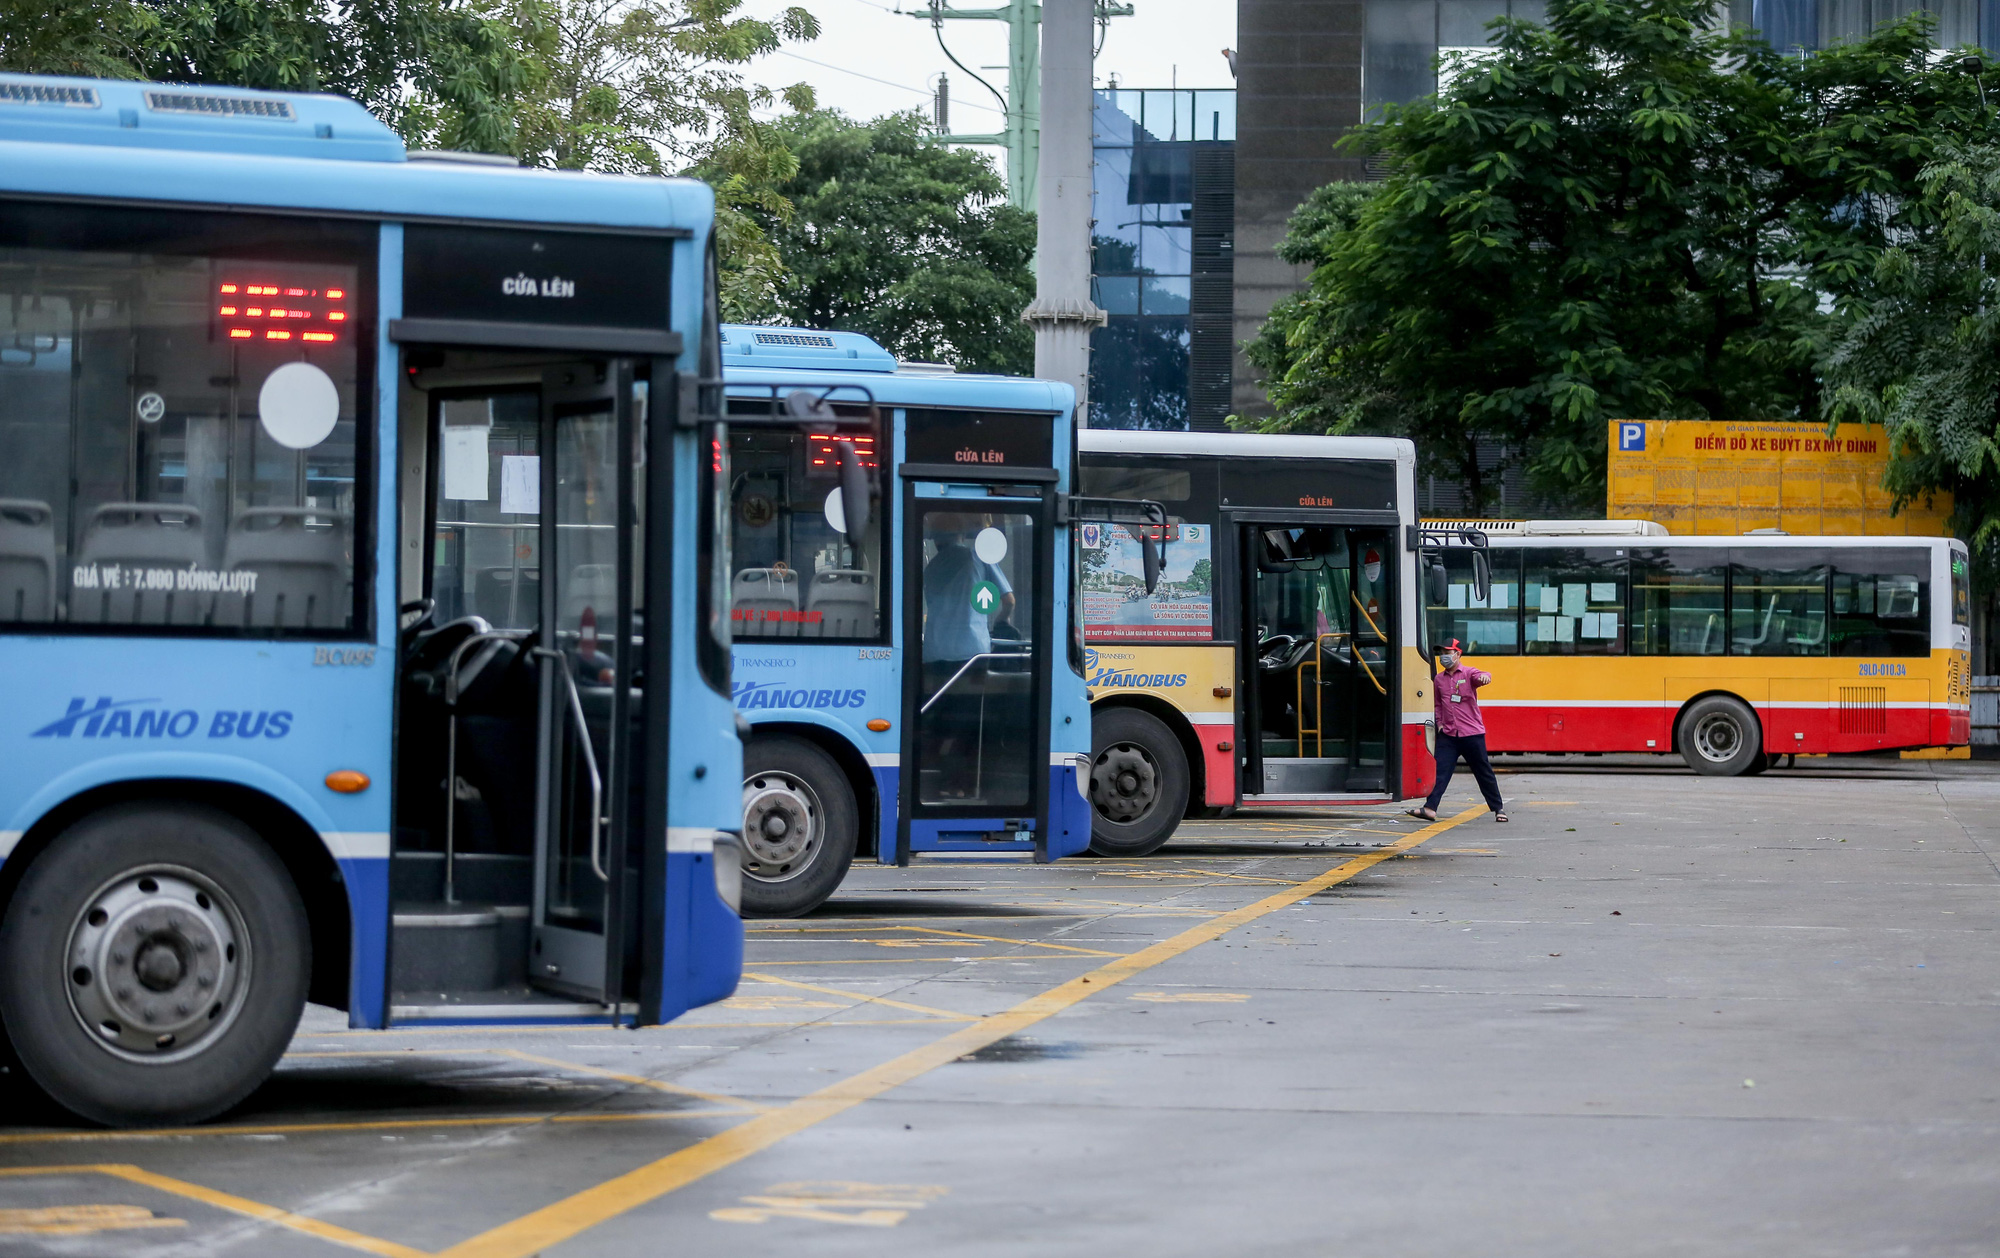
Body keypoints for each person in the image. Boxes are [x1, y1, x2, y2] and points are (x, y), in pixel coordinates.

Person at [1408, 638, 1507, 823]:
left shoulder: (1469, 673)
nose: (1444, 656)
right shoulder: (1438, 679)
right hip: (1449, 734)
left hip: (1472, 734)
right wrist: (1439, 723)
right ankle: (1430, 808)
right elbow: (1437, 704)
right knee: (1439, 771)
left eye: (1447, 652)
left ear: (1458, 654)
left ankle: (1498, 809)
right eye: (1441, 653)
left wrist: (1486, 677)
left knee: (1483, 772)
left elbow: (1482, 676)